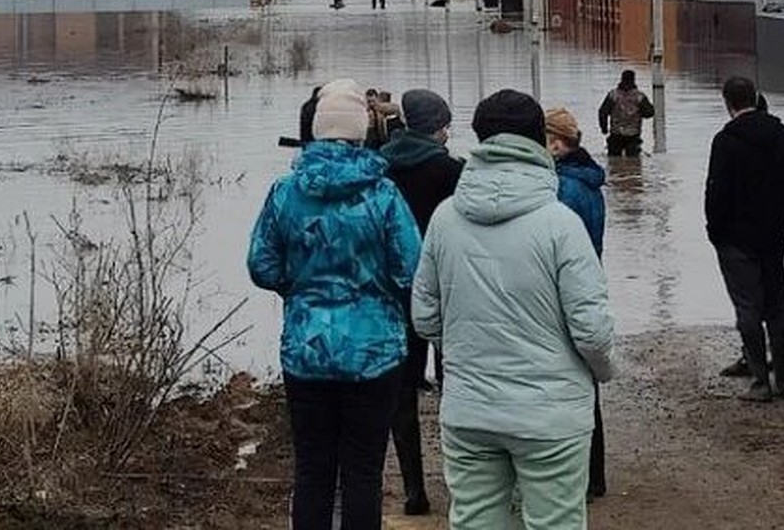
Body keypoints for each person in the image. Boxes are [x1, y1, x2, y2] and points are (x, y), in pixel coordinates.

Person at [412, 90, 614, 530]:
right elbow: (593, 331)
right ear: (537, 141)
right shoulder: (561, 224)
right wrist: (599, 371)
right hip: (551, 415)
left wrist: (465, 352)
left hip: (469, 410)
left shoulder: (446, 219)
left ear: (479, 139)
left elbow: (424, 314)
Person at [248, 78, 421, 530]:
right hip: (375, 351)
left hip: (307, 350)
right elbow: (411, 268)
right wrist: (374, 288)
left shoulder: (285, 192)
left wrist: (301, 289)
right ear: (362, 133)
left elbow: (260, 266)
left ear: (316, 133)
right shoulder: (383, 194)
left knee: (312, 472)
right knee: (363, 474)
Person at [381, 89, 464, 517]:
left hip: (398, 293)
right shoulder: (452, 171)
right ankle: (460, 483)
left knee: (402, 392)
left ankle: (414, 490)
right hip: (447, 292)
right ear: (439, 126)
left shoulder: (383, 167)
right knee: (453, 388)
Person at [705, 76, 784, 402]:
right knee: (778, 306)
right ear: (755, 97)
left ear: (728, 103)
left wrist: (715, 233)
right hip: (774, 237)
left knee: (748, 308)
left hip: (737, 241)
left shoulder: (725, 141)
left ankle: (760, 382)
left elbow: (716, 194)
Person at [544, 108, 608, 502]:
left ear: (557, 142)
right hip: (588, 282)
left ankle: (580, 476)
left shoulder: (563, 187)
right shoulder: (589, 182)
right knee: (585, 380)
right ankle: (594, 474)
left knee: (568, 382)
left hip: (564, 289)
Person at [597, 69, 654, 158]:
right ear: (634, 80)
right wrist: (639, 112)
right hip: (633, 135)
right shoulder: (639, 96)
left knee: (614, 163)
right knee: (634, 164)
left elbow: (602, 113)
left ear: (621, 79)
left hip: (615, 134)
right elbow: (650, 113)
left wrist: (604, 128)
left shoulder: (613, 95)